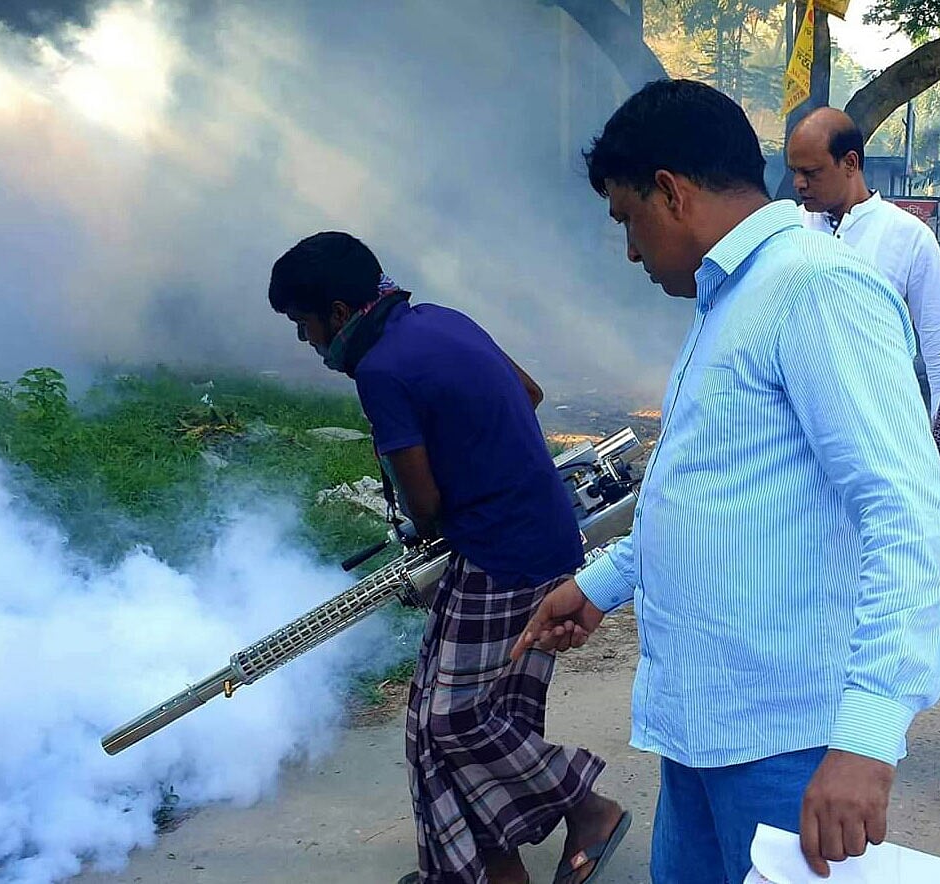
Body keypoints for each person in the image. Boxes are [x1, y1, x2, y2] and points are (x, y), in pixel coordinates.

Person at [511, 80, 940, 884]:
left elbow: (907, 511)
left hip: (790, 742)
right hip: (707, 727)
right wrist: (601, 582)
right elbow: (711, 489)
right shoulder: (731, 299)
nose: (630, 252)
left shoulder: (813, 287)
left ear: (669, 192)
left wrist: (865, 739)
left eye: (626, 220)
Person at [268, 232, 630, 884]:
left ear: (341, 313)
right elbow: (528, 394)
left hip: (505, 550)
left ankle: (587, 807)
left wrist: (442, 500)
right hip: (533, 531)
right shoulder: (439, 320)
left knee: (454, 720)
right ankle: (484, 870)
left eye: (304, 323)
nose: (306, 342)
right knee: (433, 722)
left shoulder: (379, 371)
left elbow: (426, 503)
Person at [787, 106, 940, 419]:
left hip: (880, 420)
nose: (799, 184)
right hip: (797, 423)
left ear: (850, 163)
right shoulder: (789, 230)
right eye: (795, 173)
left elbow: (936, 341)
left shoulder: (910, 237)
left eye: (811, 173)